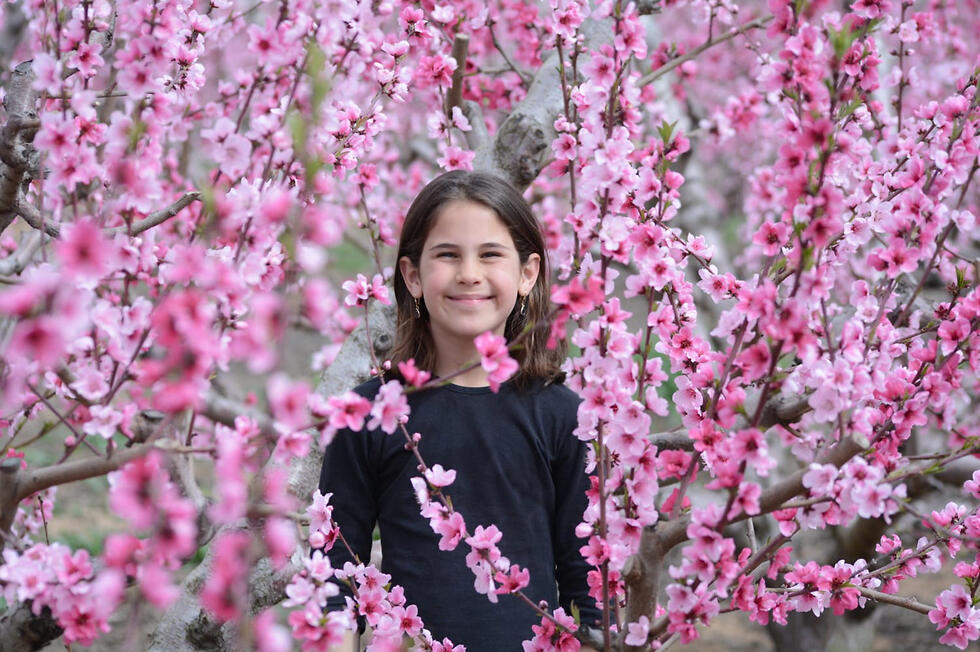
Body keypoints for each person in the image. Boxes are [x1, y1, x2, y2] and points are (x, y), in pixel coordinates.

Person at [318, 170, 601, 650]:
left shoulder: (563, 415)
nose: (469, 273)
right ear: (412, 276)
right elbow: (334, 587)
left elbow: (590, 582)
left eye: (490, 255)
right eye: (448, 255)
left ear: (527, 273)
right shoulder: (370, 412)